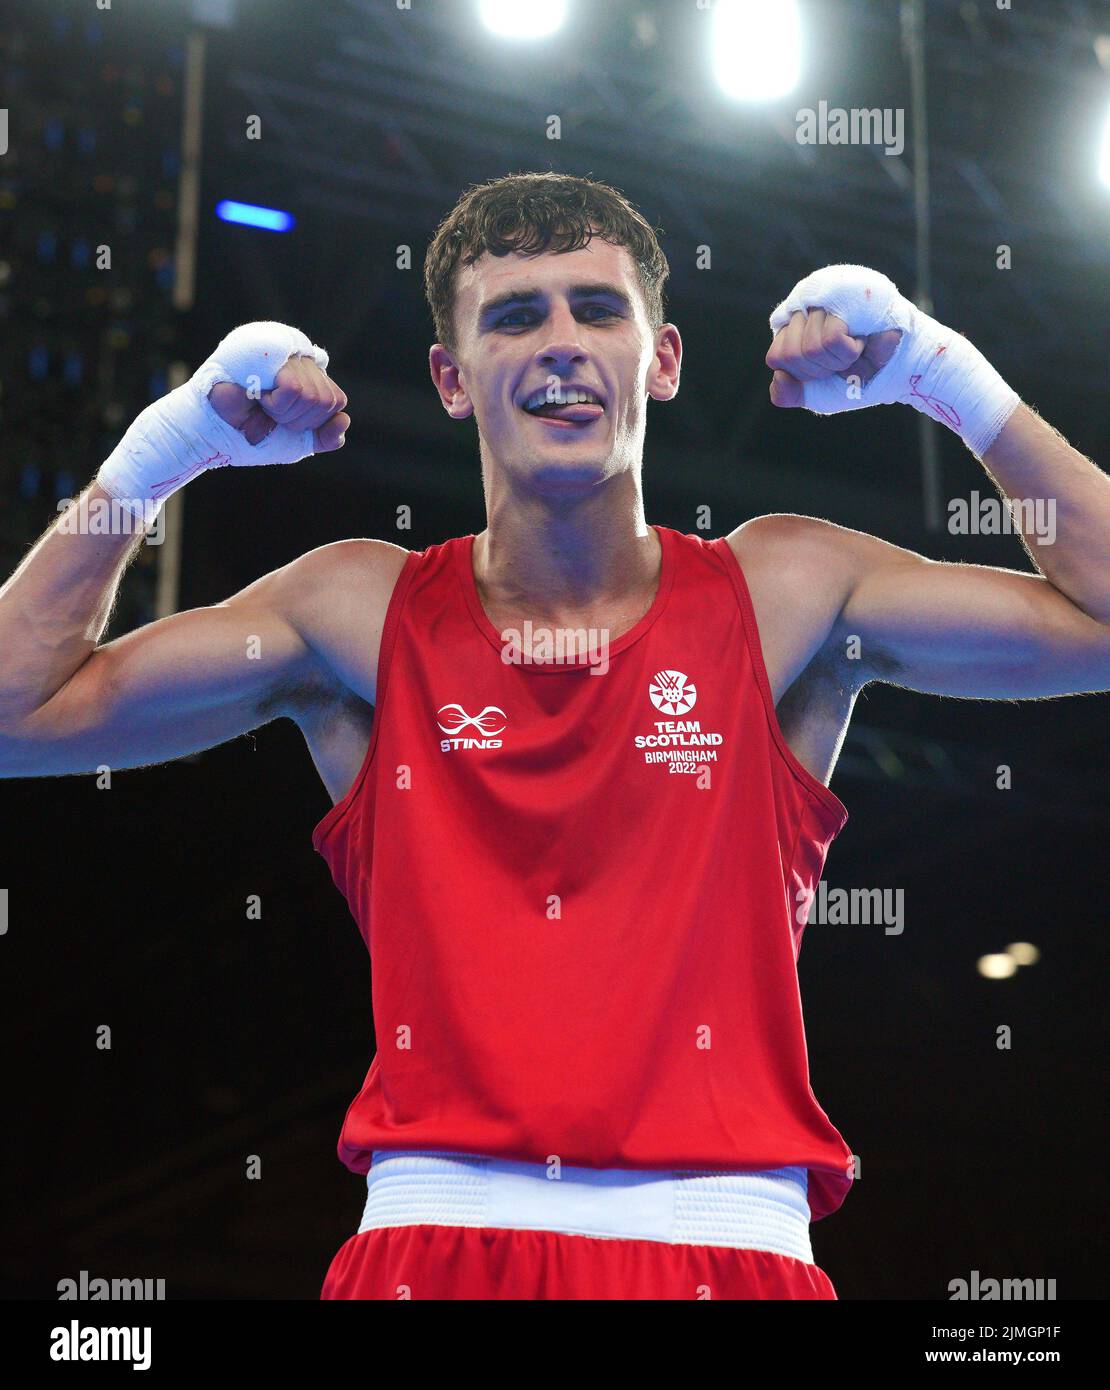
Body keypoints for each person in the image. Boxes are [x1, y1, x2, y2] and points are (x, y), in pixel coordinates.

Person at [1, 173, 1107, 1301]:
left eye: (599, 308)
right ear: (450, 376)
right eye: (517, 315)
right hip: (437, 1237)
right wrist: (164, 447)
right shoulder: (354, 614)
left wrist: (941, 372)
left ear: (663, 358)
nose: (563, 344)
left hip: (730, 1241)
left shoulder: (788, 593)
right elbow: (14, 712)